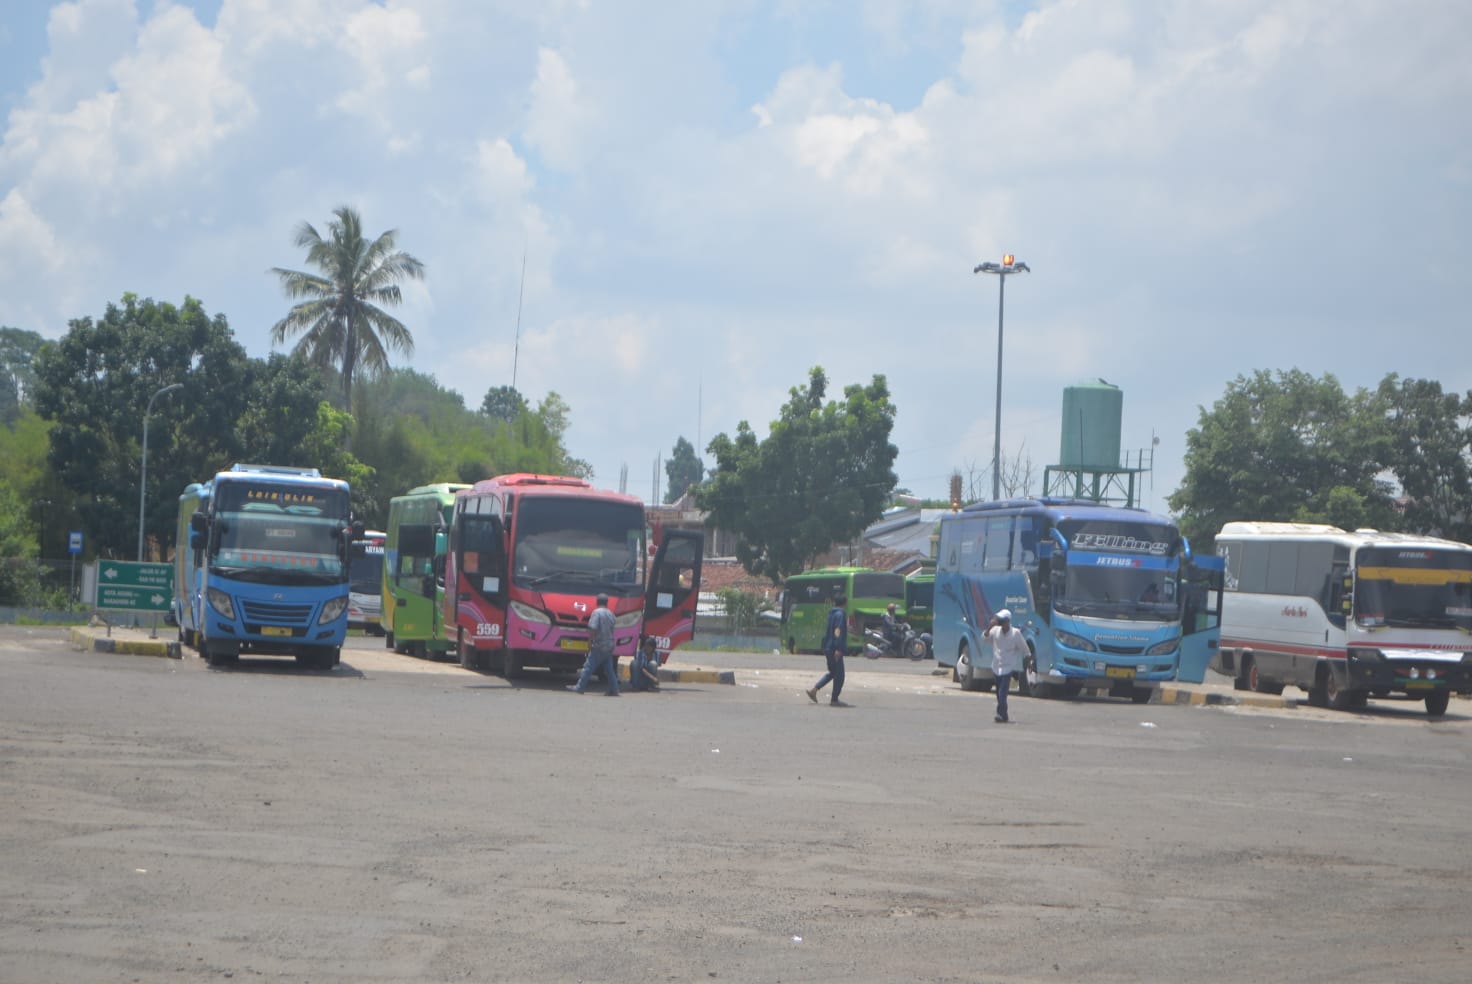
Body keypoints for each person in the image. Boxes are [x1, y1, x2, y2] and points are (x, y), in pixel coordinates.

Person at [805, 592, 851, 707]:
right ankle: (834, 699)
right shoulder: (840, 614)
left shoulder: (831, 613)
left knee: (832, 673)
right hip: (834, 648)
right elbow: (838, 631)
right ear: (844, 603)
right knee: (839, 675)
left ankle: (814, 690)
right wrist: (838, 648)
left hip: (828, 647)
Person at [568, 593, 619, 696]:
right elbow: (613, 626)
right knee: (609, 669)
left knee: (588, 666)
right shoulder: (611, 614)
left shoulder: (596, 613)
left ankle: (580, 687)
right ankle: (614, 689)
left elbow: (593, 629)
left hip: (599, 645)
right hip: (609, 645)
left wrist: (589, 642)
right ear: (606, 603)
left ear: (597, 602)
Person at [985, 608, 1029, 723]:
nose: (1000, 623)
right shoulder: (995, 631)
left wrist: (1028, 661)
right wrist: (989, 627)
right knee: (998, 693)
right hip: (996, 666)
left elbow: (1025, 649)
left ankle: (1000, 714)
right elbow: (985, 638)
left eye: (1002, 621)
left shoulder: (1015, 633)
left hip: (1008, 667)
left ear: (1008, 621)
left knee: (1002, 692)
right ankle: (1004, 715)